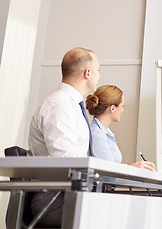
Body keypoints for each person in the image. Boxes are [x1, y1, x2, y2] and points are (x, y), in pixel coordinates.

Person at [28, 47, 101, 227]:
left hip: (67, 192)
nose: (99, 75)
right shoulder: (59, 106)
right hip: (53, 198)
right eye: (98, 71)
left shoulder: (71, 106)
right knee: (114, 213)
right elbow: (66, 161)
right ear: (88, 73)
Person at [85, 85, 156, 171]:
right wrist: (133, 167)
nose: (122, 111)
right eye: (122, 106)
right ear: (112, 108)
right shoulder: (97, 134)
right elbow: (108, 169)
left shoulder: (104, 132)